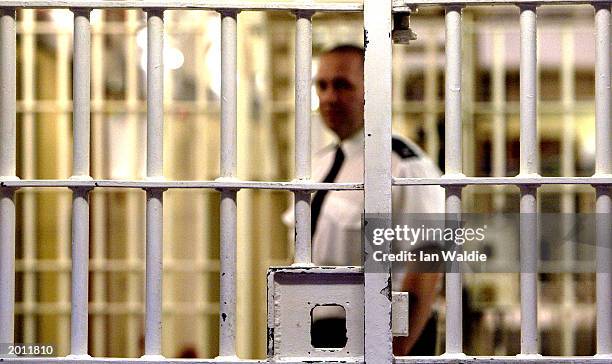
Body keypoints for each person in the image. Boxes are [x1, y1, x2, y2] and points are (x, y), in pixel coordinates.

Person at [283, 44, 445, 355]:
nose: (329, 97)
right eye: (323, 85)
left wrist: (393, 350)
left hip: (379, 333)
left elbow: (427, 260)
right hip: (317, 331)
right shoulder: (318, 165)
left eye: (342, 85)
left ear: (373, 91)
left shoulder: (403, 164)